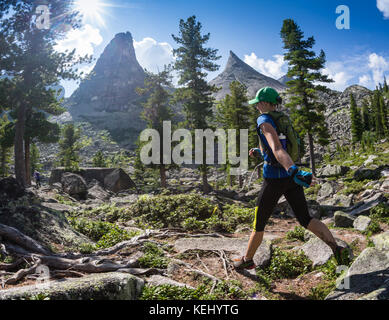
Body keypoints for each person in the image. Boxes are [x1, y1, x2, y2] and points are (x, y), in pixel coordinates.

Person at [233, 87, 350, 270]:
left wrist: (293, 170)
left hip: (274, 179)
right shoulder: (281, 119)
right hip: (290, 179)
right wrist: (261, 153)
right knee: (305, 218)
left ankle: (247, 260)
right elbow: (276, 148)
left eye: (257, 103)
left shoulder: (264, 120)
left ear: (264, 103)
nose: (256, 106)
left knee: (259, 222)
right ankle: (337, 249)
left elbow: (278, 148)